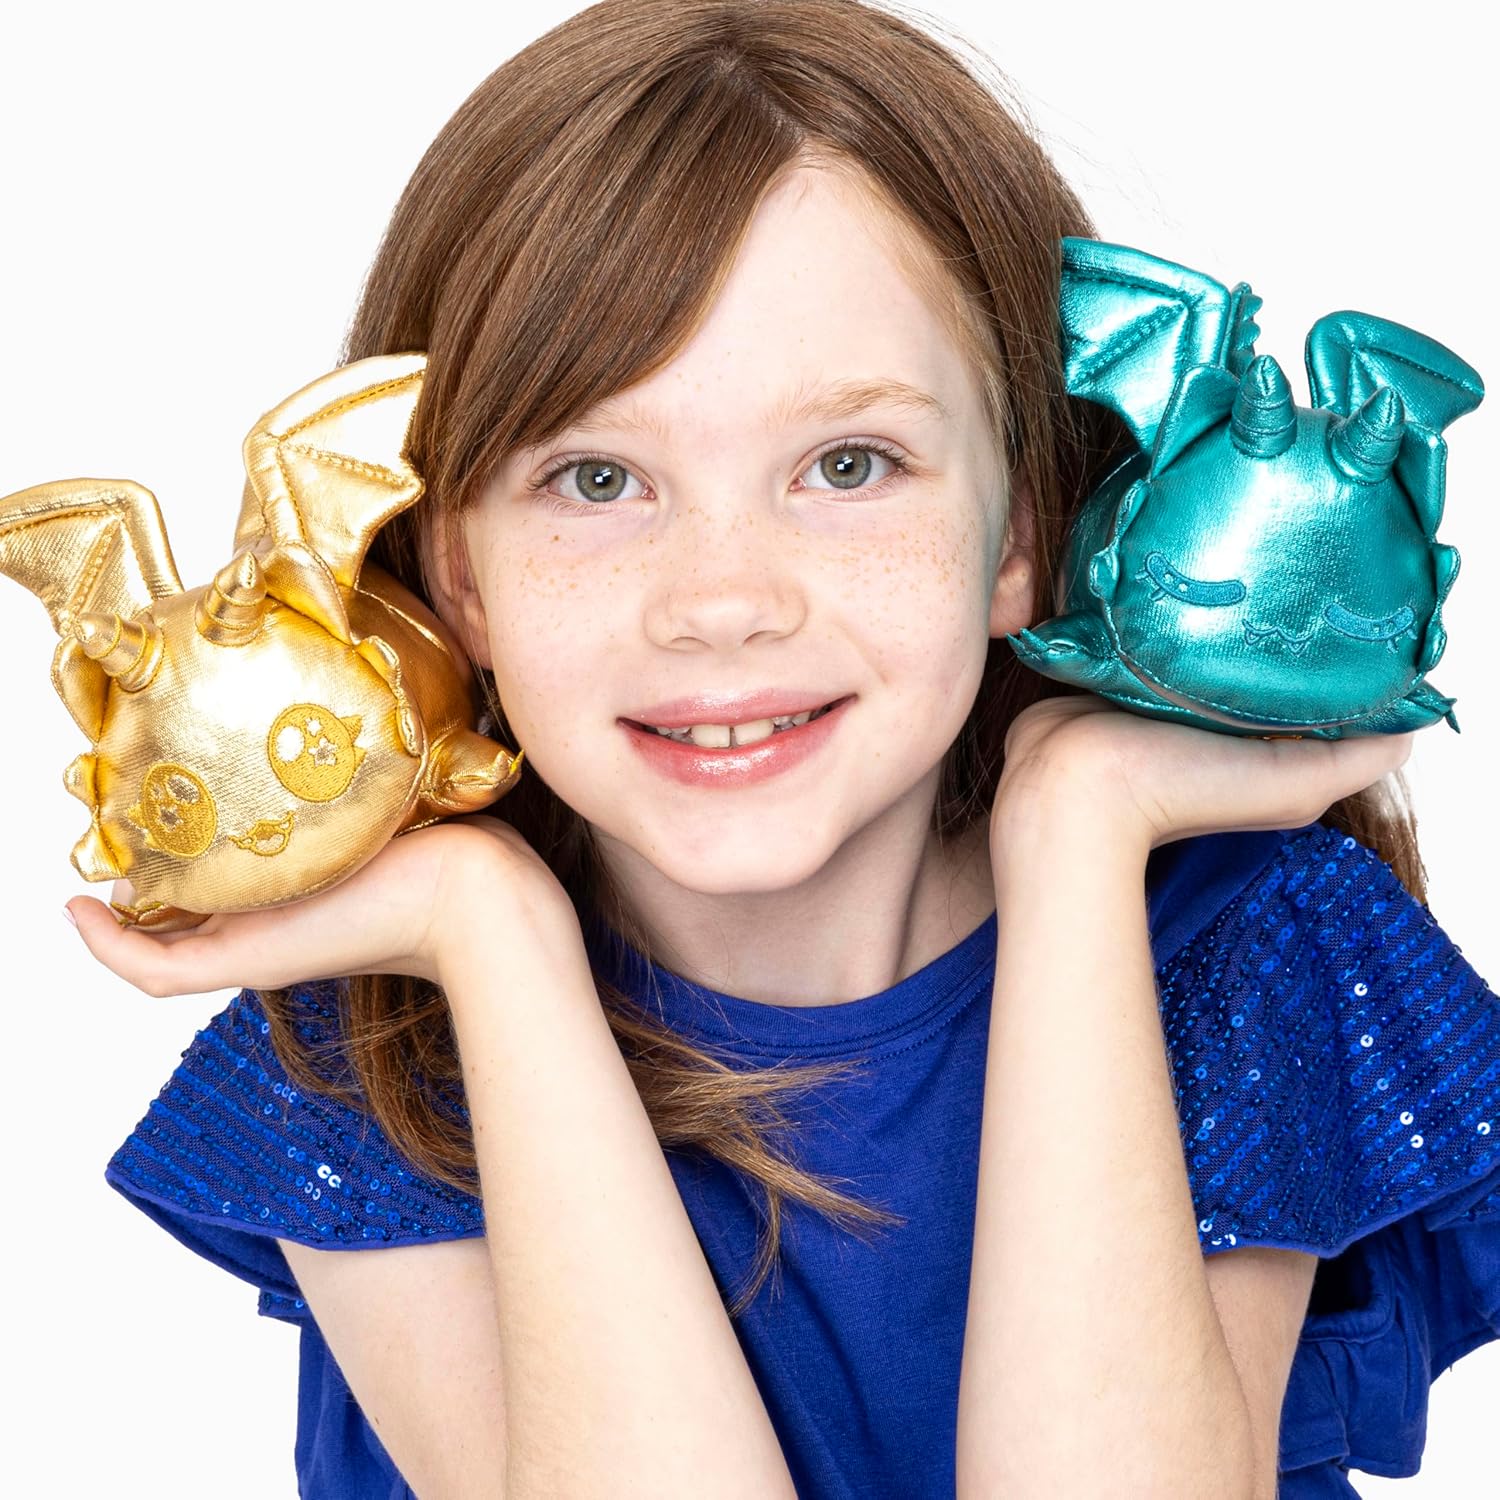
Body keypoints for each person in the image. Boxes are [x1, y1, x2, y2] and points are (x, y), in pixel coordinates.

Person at [57, 1, 1495, 1496]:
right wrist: (490, 938)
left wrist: (1078, 822)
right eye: (598, 476)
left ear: (1023, 537)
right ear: (458, 576)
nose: (723, 601)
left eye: (850, 464)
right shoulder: (381, 1045)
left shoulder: (1244, 947)